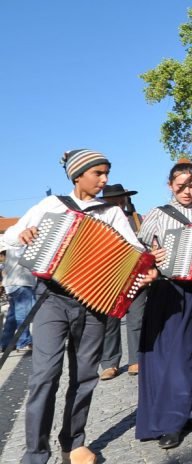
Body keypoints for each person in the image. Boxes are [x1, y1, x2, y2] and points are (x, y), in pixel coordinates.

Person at [4, 149, 158, 464]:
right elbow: (6, 238)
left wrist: (147, 269)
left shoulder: (112, 214)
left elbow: (134, 252)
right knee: (44, 375)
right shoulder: (52, 206)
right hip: (52, 299)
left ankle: (74, 442)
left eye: (106, 173)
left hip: (94, 304)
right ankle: (35, 452)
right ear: (78, 176)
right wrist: (23, 234)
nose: (104, 180)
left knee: (85, 375)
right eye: (98, 173)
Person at [135, 159, 192, 450]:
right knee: (172, 356)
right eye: (180, 186)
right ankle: (172, 420)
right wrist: (154, 255)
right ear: (170, 186)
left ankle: (186, 410)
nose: (187, 191)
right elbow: (138, 251)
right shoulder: (157, 215)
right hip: (168, 291)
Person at [99, 183, 147, 380]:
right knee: (109, 323)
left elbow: (147, 246)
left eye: (122, 199)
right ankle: (110, 363)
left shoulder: (137, 219)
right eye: (114, 200)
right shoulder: (99, 222)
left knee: (137, 319)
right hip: (108, 279)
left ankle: (136, 359)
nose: (119, 203)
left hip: (135, 277)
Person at [0, 242, 36, 353]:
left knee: (12, 316)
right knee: (22, 315)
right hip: (22, 282)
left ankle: (5, 343)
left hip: (11, 284)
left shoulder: (11, 243)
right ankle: (23, 341)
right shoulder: (24, 243)